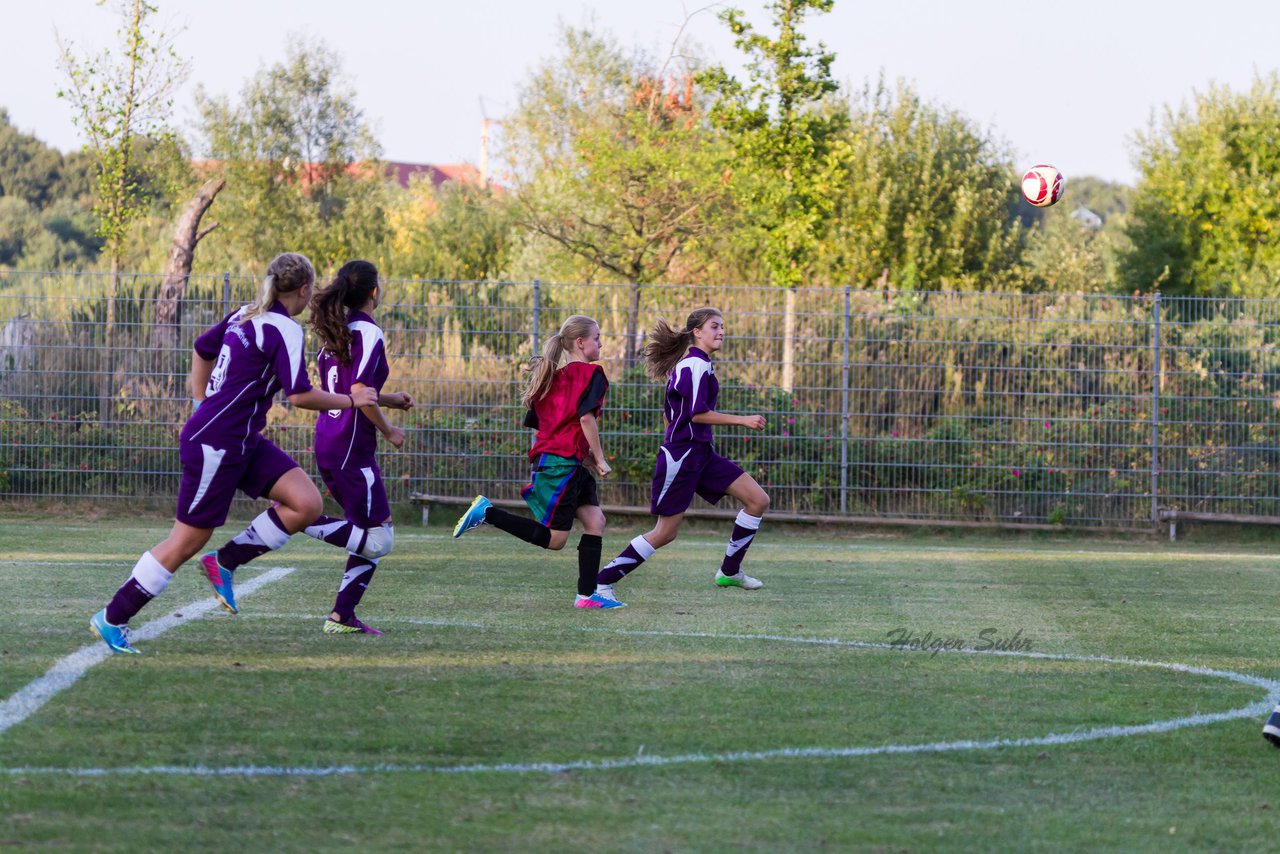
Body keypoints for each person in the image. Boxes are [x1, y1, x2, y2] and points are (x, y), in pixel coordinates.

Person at [89, 252, 378, 654]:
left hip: (240, 440)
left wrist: (200, 402)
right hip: (216, 444)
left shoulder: (246, 313)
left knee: (305, 503)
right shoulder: (282, 329)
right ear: (305, 289)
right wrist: (352, 398)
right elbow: (299, 395)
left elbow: (201, 349)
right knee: (185, 541)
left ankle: (223, 561)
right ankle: (113, 617)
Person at [592, 307, 770, 606]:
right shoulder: (694, 365)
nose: (721, 332)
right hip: (683, 456)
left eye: (722, 326)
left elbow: (669, 413)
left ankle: (729, 570)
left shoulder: (696, 364)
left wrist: (682, 438)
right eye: (715, 326)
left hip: (701, 454)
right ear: (697, 332)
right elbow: (696, 414)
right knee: (665, 533)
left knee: (758, 500)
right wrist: (742, 419)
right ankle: (602, 583)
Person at [451, 315, 622, 609]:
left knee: (596, 521)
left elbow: (540, 421)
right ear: (581, 343)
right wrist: (599, 457)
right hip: (561, 466)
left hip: (566, 462)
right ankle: (487, 512)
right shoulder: (593, 375)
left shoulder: (551, 377)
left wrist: (583, 454)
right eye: (597, 337)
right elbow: (585, 417)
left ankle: (587, 596)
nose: (601, 343)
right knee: (555, 540)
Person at [299, 260, 414, 635]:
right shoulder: (368, 333)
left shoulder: (338, 332)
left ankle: (342, 616)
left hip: (331, 441)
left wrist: (392, 399)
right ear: (374, 292)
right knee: (379, 538)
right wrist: (389, 430)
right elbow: (361, 398)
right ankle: (300, 518)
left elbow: (354, 388)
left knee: (369, 533)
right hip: (351, 448)